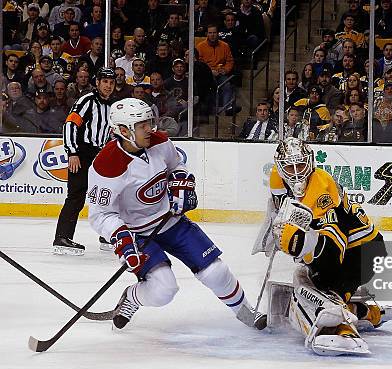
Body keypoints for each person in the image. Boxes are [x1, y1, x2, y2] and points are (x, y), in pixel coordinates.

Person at [88, 98, 265, 330]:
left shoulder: (160, 141)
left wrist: (182, 183)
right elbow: (100, 215)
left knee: (216, 271)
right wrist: (121, 237)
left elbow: (177, 166)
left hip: (171, 221)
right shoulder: (106, 164)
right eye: (142, 125)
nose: (149, 129)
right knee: (164, 289)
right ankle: (133, 297)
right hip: (138, 234)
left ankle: (244, 311)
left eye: (149, 122)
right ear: (123, 131)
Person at [266, 138, 392, 355]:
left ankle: (343, 330)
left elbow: (333, 254)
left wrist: (300, 245)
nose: (296, 173)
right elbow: (277, 209)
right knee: (307, 275)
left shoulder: (322, 191)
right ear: (279, 167)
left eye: (300, 165)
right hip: (347, 248)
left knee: (318, 283)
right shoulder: (277, 177)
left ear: (310, 162)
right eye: (289, 167)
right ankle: (367, 312)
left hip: (362, 252)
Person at [53, 67, 116, 255]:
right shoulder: (87, 100)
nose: (108, 86)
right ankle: (62, 238)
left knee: (108, 196)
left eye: (111, 82)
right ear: (97, 83)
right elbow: (71, 124)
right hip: (81, 154)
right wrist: (72, 152)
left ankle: (107, 235)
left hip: (99, 156)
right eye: (105, 82)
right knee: (76, 196)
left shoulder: (111, 106)